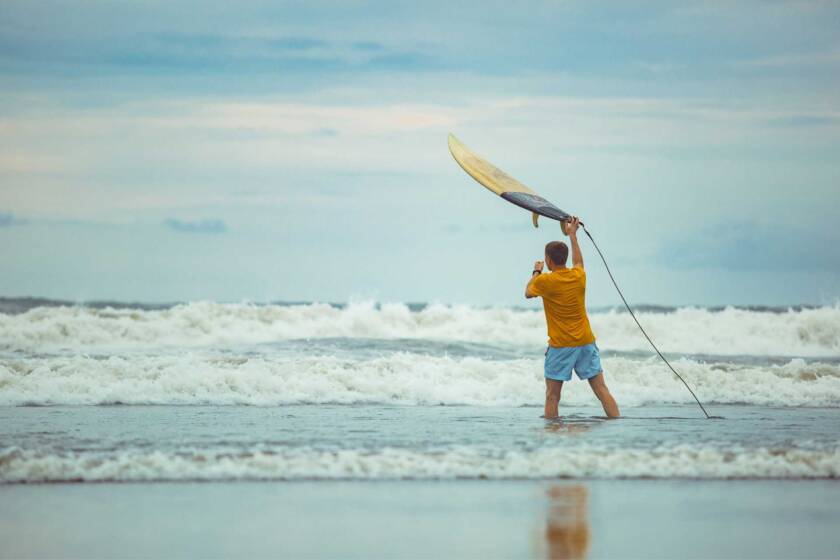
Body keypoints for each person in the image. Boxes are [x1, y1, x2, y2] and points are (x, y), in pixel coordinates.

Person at [525, 217, 620, 419]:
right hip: (586, 341)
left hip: (561, 345)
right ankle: (617, 424)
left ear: (549, 260)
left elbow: (528, 292)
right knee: (602, 390)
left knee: (552, 396)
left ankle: (552, 432)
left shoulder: (545, 281)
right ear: (564, 259)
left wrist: (536, 270)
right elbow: (579, 261)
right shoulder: (578, 275)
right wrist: (573, 235)